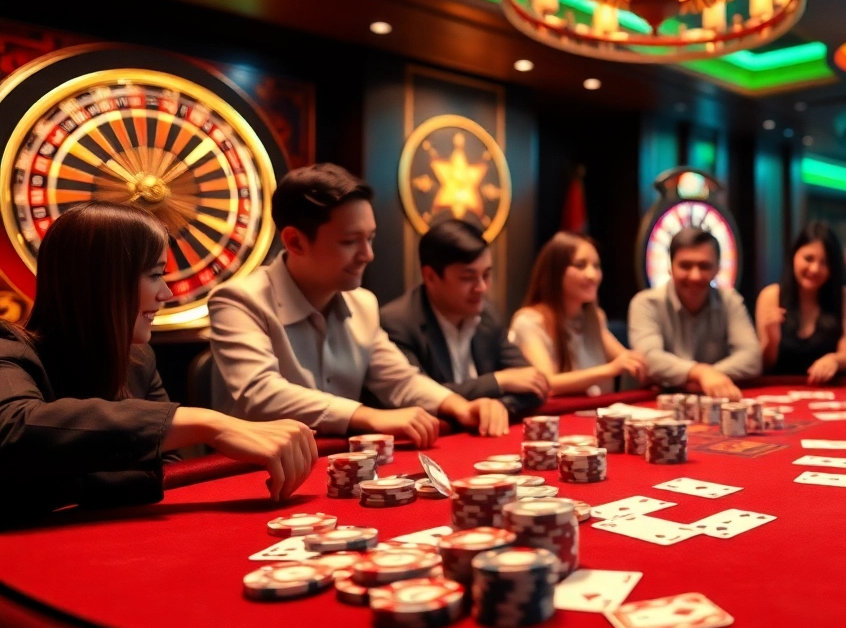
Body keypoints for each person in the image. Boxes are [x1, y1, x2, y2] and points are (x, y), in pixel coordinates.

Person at [0, 202, 315, 522]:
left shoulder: (138, 359)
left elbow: (161, 468)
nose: (165, 293)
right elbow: (15, 431)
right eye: (154, 276)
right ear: (104, 282)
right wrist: (211, 424)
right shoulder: (7, 350)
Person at [210, 163, 508, 443]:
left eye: (370, 239)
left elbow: (398, 379)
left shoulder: (363, 303)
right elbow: (261, 393)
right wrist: (368, 417)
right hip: (251, 473)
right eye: (350, 241)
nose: (368, 255)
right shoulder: (238, 301)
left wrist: (459, 406)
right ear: (295, 242)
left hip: (337, 462)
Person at [381, 218, 547, 419]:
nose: (482, 288)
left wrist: (497, 407)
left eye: (486, 275)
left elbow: (532, 383)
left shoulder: (488, 315)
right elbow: (419, 394)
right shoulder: (398, 323)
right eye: (468, 278)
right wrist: (497, 381)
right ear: (430, 277)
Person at [628, 227, 761, 400]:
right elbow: (648, 358)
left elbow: (752, 357)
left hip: (709, 399)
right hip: (655, 402)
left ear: (717, 269)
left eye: (704, 266)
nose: (695, 276)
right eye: (685, 265)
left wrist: (708, 376)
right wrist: (699, 373)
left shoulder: (730, 301)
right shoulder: (646, 303)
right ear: (670, 267)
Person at [510, 232, 647, 396]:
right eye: (580, 265)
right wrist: (609, 370)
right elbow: (547, 383)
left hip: (595, 415)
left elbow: (628, 361)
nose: (592, 275)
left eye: (596, 266)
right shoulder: (529, 322)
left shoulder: (595, 317)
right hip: (554, 419)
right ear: (556, 272)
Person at [755, 222, 846, 384]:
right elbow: (764, 364)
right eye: (808, 259)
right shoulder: (771, 296)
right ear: (794, 256)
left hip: (830, 391)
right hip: (780, 390)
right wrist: (772, 339)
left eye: (825, 262)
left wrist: (834, 360)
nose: (815, 269)